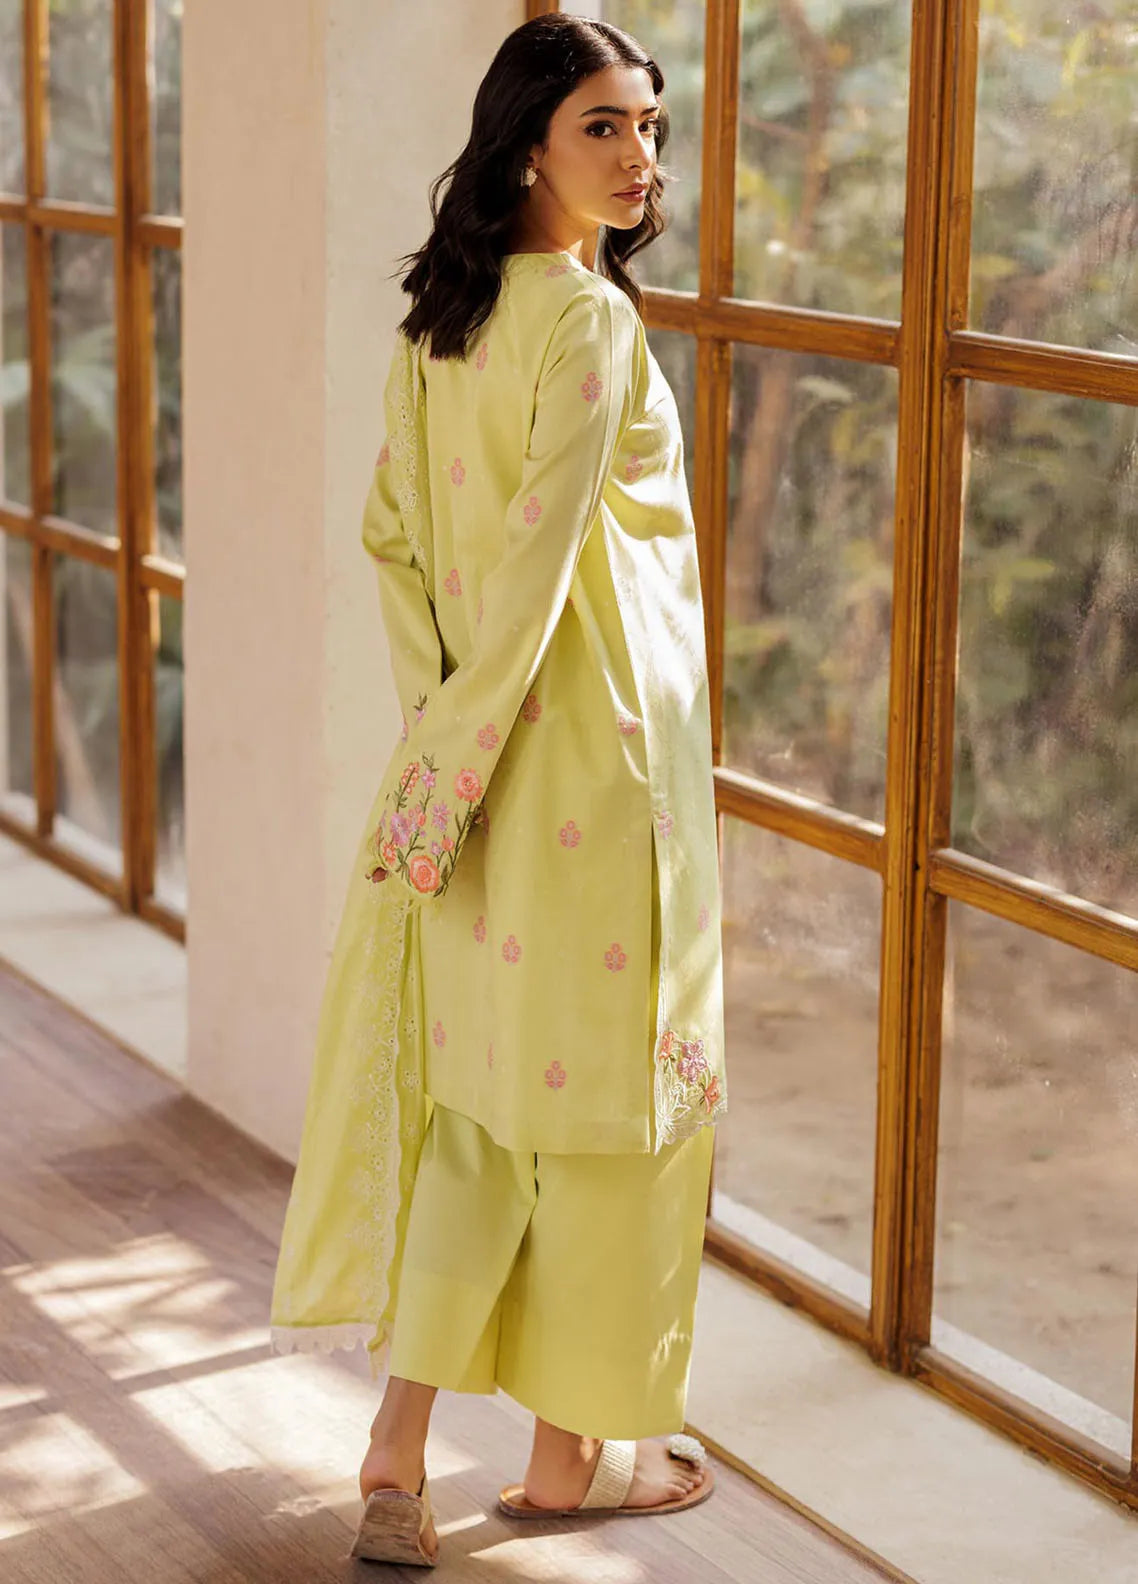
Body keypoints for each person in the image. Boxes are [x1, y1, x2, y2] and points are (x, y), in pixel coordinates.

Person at [268, 13, 727, 1568]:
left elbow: (395, 544)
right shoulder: (584, 322)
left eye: (649, 126)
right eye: (602, 125)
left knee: (476, 1119)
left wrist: (437, 755)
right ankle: (565, 1459)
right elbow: (537, 571)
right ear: (524, 139)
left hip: (470, 779)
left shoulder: (439, 320)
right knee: (614, 1119)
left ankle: (396, 1456)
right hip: (597, 779)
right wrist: (465, 765)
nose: (638, 156)